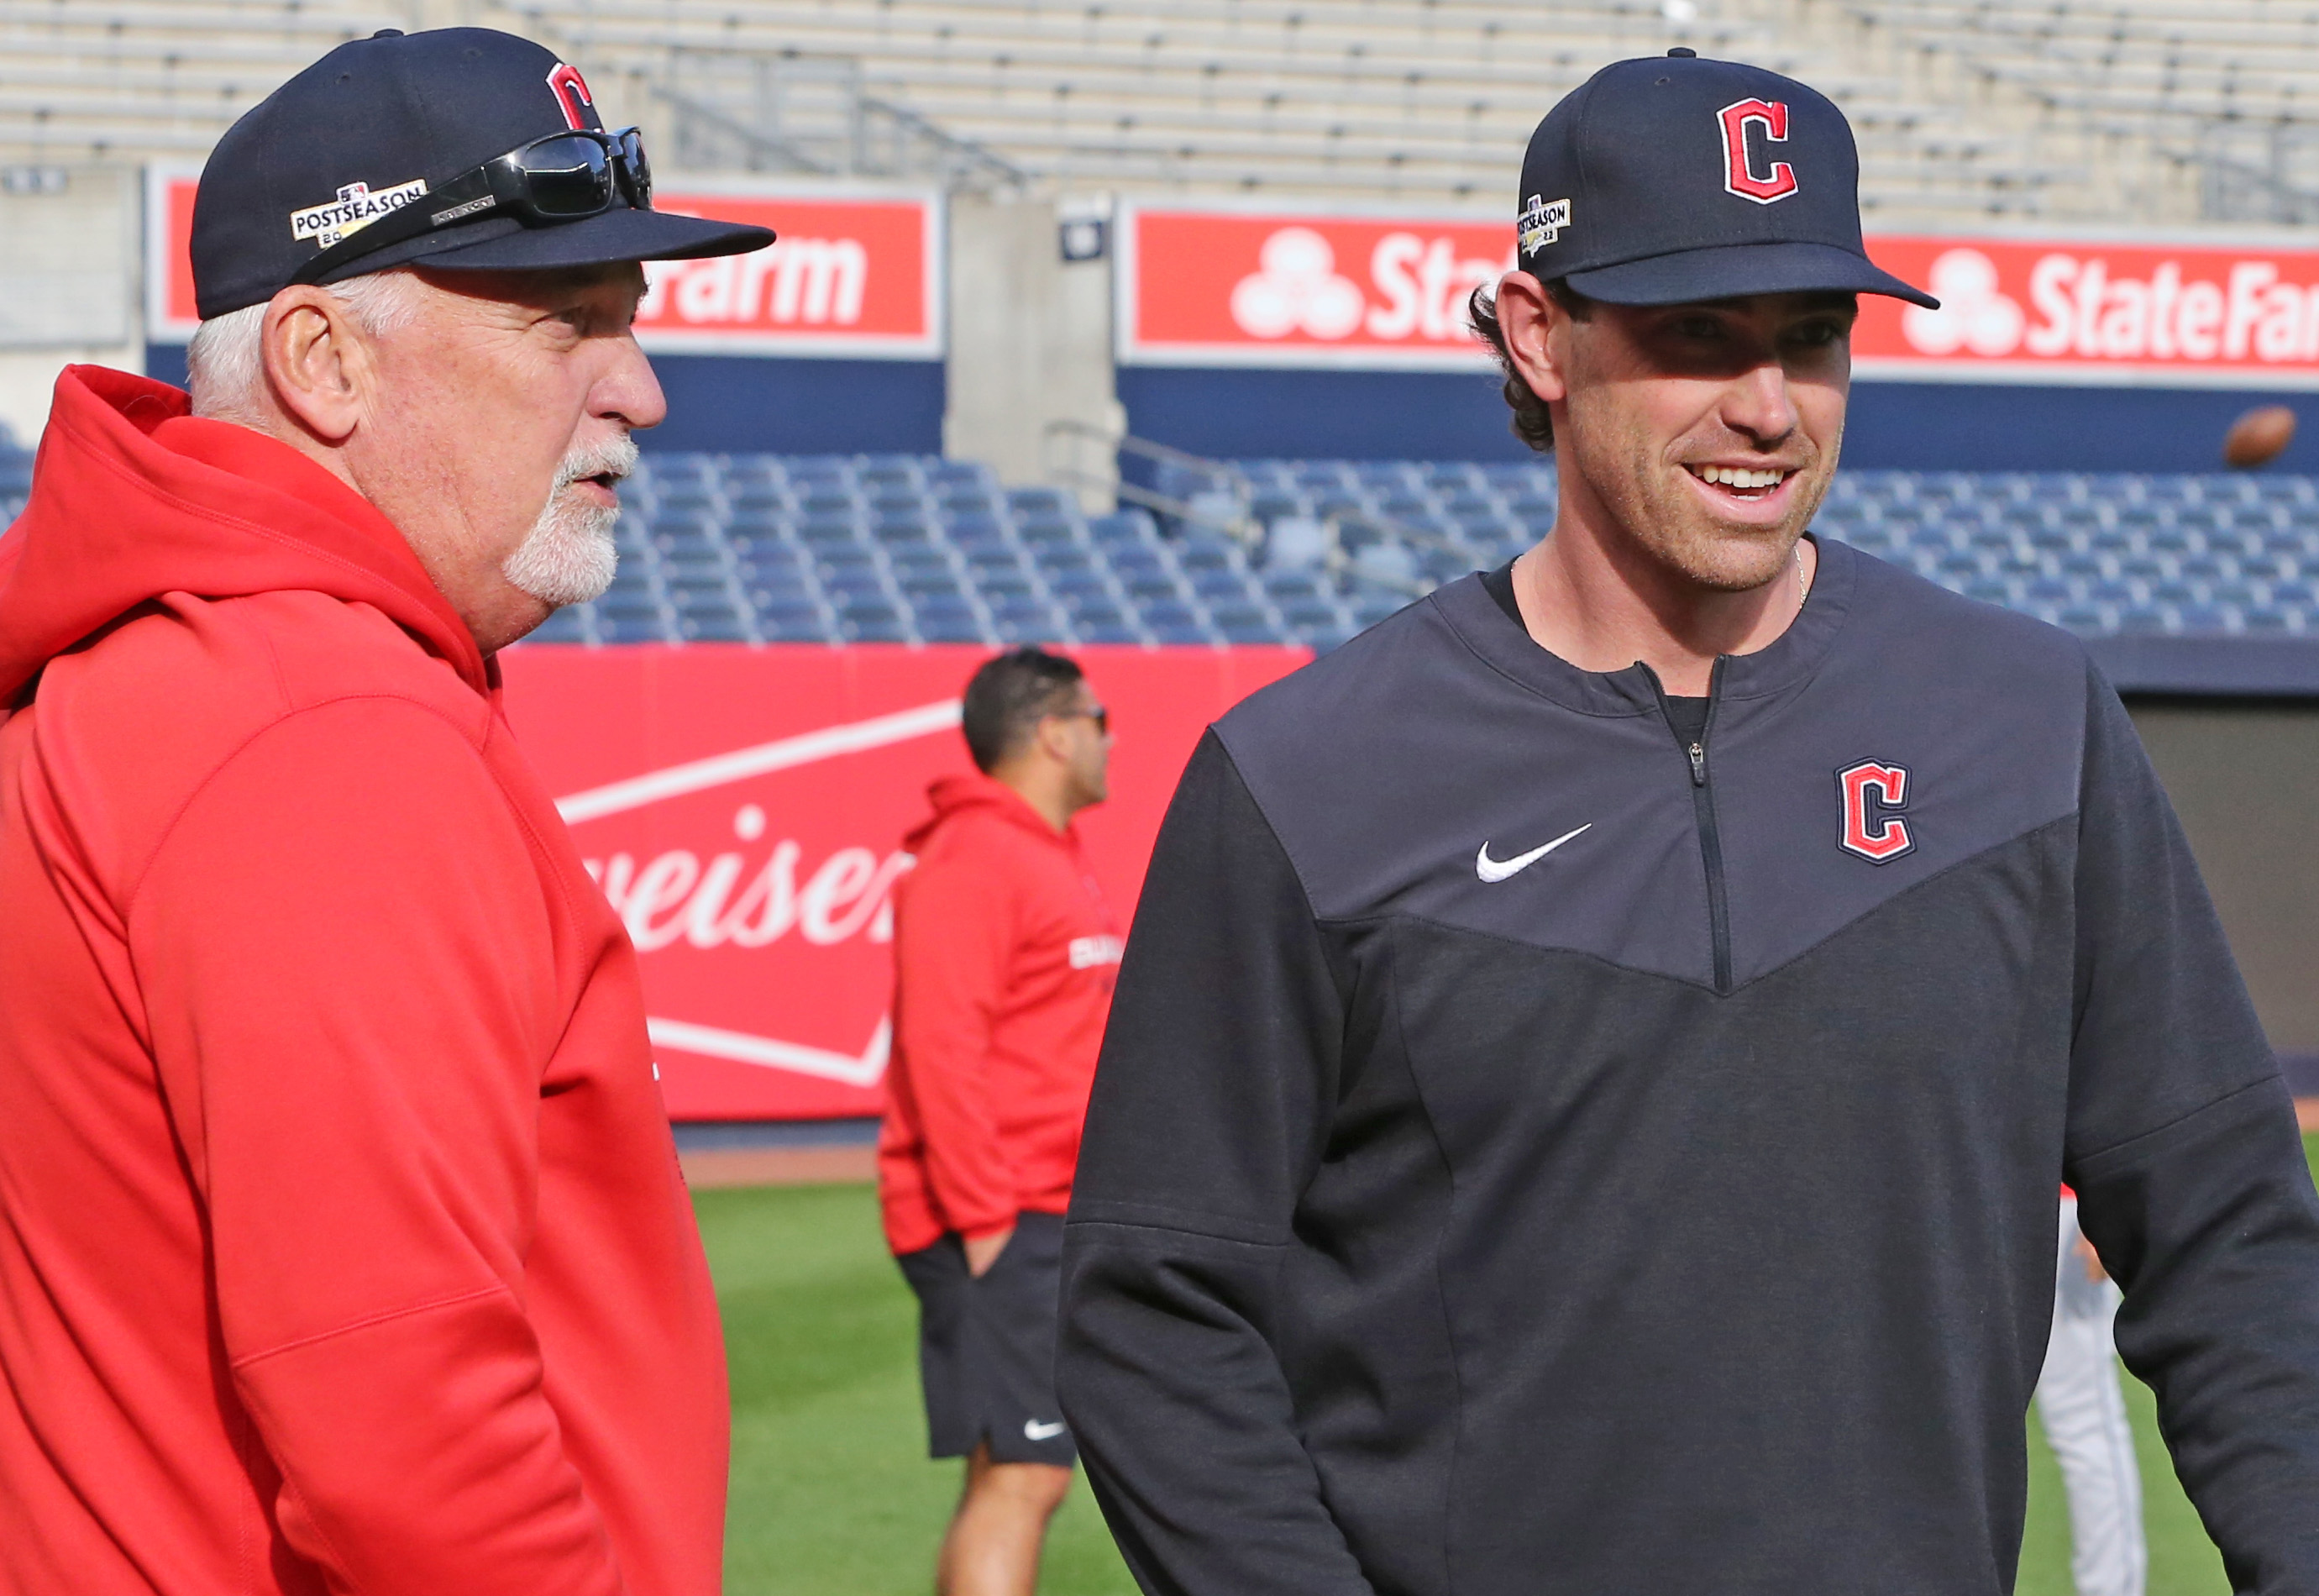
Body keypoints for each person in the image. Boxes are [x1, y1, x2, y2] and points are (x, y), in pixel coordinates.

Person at [1057, 50, 2319, 1596]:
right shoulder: (1306, 776)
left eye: (1811, 334)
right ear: (1539, 337)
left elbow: (2229, 1230)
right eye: (1695, 334)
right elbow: (1155, 1310)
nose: (1768, 405)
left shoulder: (2025, 723)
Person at [0, 29, 771, 1596]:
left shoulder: (170, 665)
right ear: (322, 363)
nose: (642, 387)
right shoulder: (316, 720)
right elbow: (409, 1453)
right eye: (570, 324)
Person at [879, 646, 1122, 1596]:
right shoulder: (975, 858)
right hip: (999, 1218)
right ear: (1056, 734)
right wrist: (984, 1221)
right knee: (1023, 1473)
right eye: (1100, 721)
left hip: (1042, 1211)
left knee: (1016, 1471)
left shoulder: (1042, 853)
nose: (1112, 740)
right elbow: (942, 1052)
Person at [2037, 1188, 2148, 1596]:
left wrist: (2103, 1203)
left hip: (2063, 1212)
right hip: (1965, 1206)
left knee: (2083, 1423)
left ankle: (2111, 1590)